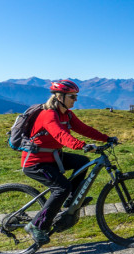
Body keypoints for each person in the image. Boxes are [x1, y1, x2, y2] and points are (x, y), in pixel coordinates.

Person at [21, 80, 117, 245]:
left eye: (76, 96)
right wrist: (82, 145)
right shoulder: (48, 114)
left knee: (82, 162)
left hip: (53, 157)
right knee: (61, 188)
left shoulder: (67, 114)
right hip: (36, 162)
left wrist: (106, 138)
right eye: (72, 96)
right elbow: (60, 135)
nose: (75, 100)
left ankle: (71, 200)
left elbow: (84, 129)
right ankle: (35, 226)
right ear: (60, 97)